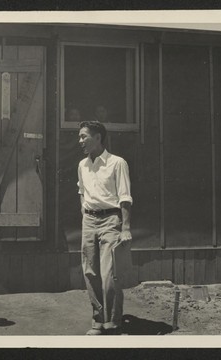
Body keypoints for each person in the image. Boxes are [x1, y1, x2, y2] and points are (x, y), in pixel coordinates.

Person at [77, 121, 133, 335]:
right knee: (90, 272)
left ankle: (113, 321)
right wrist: (84, 211)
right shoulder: (82, 165)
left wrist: (125, 227)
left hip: (111, 220)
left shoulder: (117, 163)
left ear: (98, 137)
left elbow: (125, 197)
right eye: (79, 137)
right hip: (89, 221)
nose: (80, 141)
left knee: (110, 274)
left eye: (84, 136)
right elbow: (81, 190)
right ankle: (98, 320)